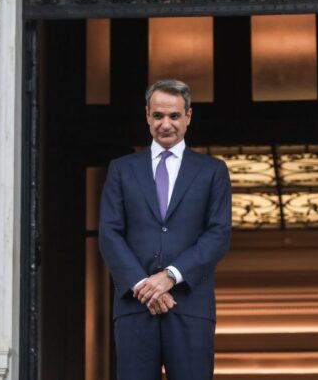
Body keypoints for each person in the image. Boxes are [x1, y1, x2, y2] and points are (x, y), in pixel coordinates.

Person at [99, 79, 232, 380]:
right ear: (147, 116)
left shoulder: (212, 171)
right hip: (135, 306)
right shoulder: (122, 169)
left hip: (190, 307)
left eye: (174, 116)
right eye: (158, 115)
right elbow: (109, 232)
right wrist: (143, 286)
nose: (166, 124)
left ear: (188, 116)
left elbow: (218, 233)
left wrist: (170, 276)